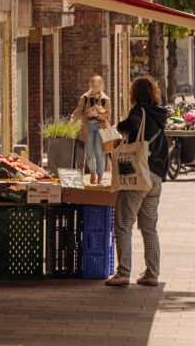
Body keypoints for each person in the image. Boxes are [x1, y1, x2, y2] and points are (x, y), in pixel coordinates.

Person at [106, 76, 168, 287]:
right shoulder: (160, 115)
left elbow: (130, 124)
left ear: (135, 93)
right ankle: (152, 274)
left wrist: (121, 126)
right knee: (149, 227)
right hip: (156, 178)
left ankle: (123, 272)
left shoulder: (138, 112)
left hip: (138, 177)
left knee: (123, 224)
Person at [71, 75, 111, 185]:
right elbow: (78, 112)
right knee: (89, 153)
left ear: (101, 86)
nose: (95, 87)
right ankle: (92, 172)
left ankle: (100, 176)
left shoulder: (105, 99)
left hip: (100, 128)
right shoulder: (85, 97)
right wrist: (71, 123)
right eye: (93, 85)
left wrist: (96, 115)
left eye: (97, 85)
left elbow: (107, 115)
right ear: (91, 85)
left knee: (99, 152)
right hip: (87, 126)